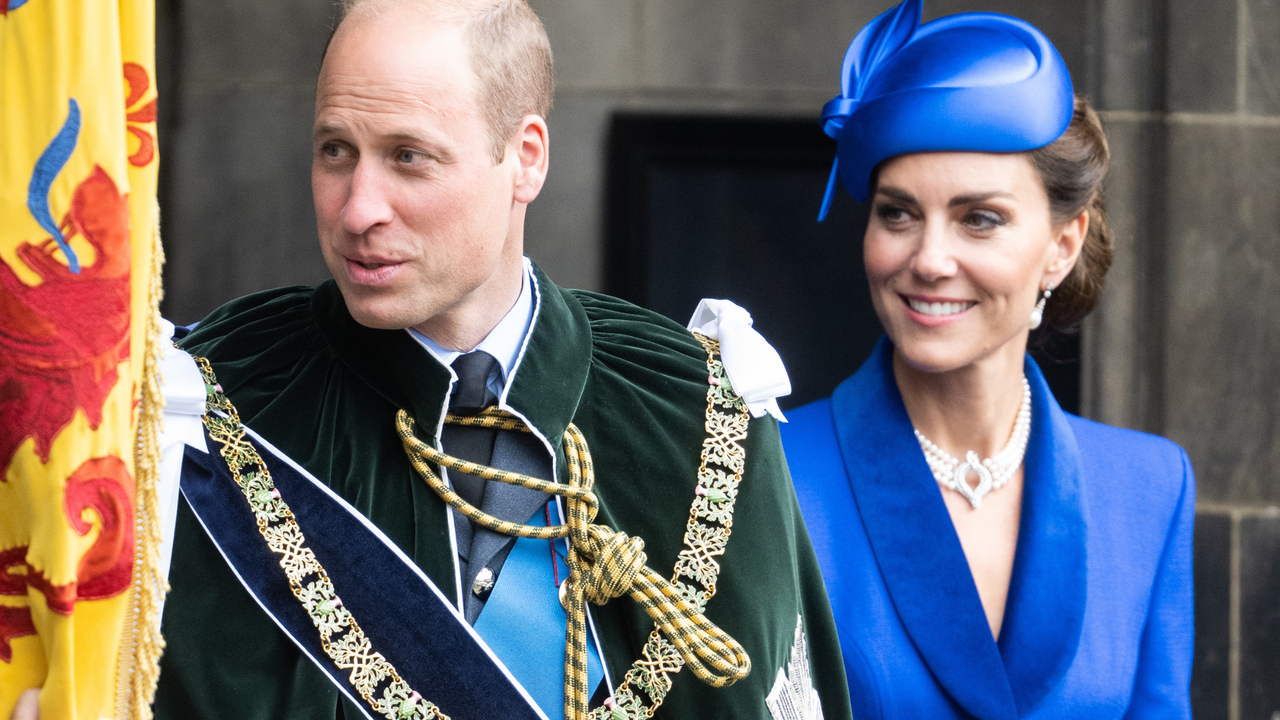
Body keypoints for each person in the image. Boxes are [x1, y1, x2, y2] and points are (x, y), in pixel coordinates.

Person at [145, 1, 852, 720]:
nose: (357, 210)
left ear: (526, 159)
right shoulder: (203, 407)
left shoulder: (695, 411)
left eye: (407, 157)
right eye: (336, 150)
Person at [780, 1, 1194, 718]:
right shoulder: (773, 473)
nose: (929, 259)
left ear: (1061, 248)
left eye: (979, 219)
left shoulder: (1148, 490)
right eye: (898, 213)